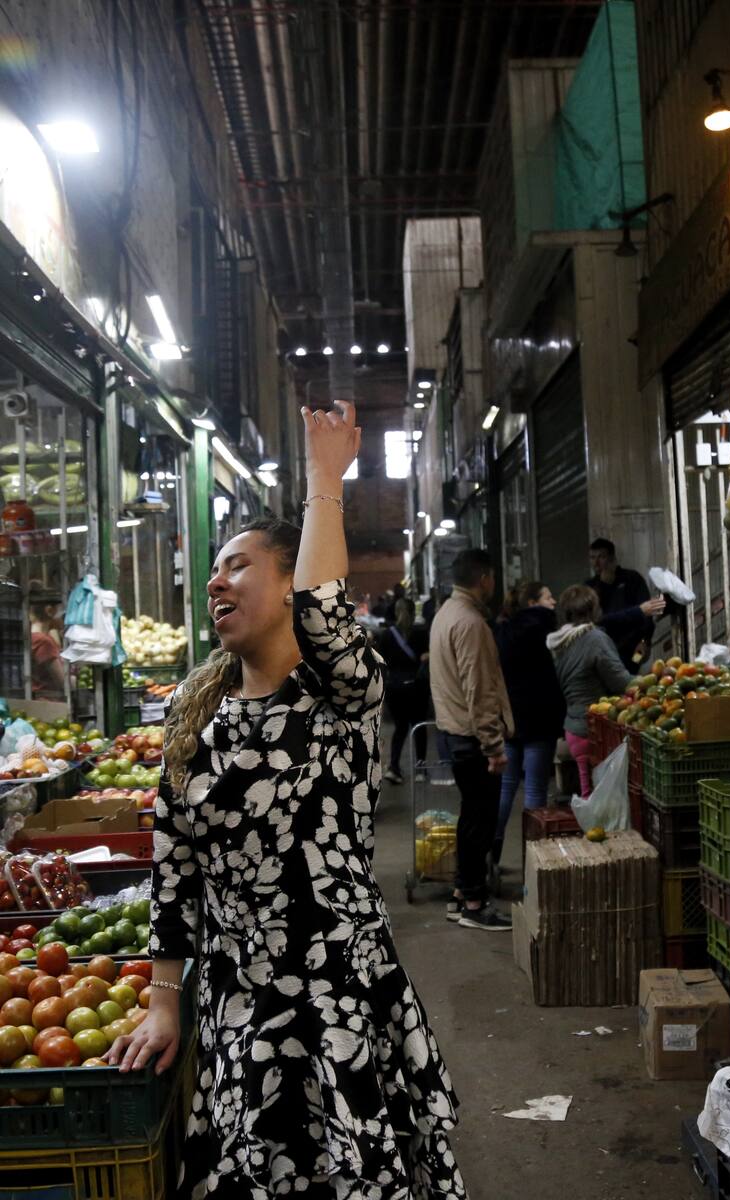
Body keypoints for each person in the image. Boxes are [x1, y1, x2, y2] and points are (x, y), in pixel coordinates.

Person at [107, 400, 465, 1199]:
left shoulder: (341, 696)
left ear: (288, 578)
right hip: (242, 1014)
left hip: (341, 998)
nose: (214, 579)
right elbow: (176, 874)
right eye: (214, 568)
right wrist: (166, 1003)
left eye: (238, 565)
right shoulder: (193, 716)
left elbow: (327, 618)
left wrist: (325, 480)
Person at [429, 548, 514, 931]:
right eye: (493, 578)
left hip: (454, 733)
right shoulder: (471, 624)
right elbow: (479, 692)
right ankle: (475, 903)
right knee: (480, 822)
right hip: (472, 739)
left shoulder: (446, 615)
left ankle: (463, 893)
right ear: (484, 579)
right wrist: (494, 747)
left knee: (471, 820)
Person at [492, 580, 565, 864]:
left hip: (511, 719)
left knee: (506, 788)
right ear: (533, 602)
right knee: (535, 788)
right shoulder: (546, 627)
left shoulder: (503, 630)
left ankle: (492, 855)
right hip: (540, 719)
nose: (554, 601)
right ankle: (533, 861)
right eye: (549, 595)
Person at [548, 584, 631, 799]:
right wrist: (649, 681)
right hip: (597, 730)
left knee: (589, 795)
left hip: (573, 729)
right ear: (593, 609)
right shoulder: (594, 639)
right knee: (609, 796)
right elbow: (620, 681)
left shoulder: (559, 643)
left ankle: (590, 829)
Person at [376, 595, 430, 783]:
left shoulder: (386, 635)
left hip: (395, 689)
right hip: (417, 687)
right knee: (419, 727)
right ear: (413, 613)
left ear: (396, 612)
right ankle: (421, 769)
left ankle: (394, 767)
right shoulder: (421, 633)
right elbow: (427, 655)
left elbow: (380, 662)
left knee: (400, 728)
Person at [585, 537, 657, 671]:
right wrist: (603, 585)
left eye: (601, 557)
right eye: (592, 557)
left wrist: (645, 641)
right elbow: (596, 620)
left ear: (612, 558)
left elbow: (647, 613)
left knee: (631, 680)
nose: (596, 562)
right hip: (604, 651)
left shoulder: (632, 578)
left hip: (634, 648)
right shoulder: (590, 587)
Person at [28, 589, 66, 700]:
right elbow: (63, 682)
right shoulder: (43, 642)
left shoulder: (34, 637)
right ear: (49, 611)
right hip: (48, 702)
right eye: (59, 611)